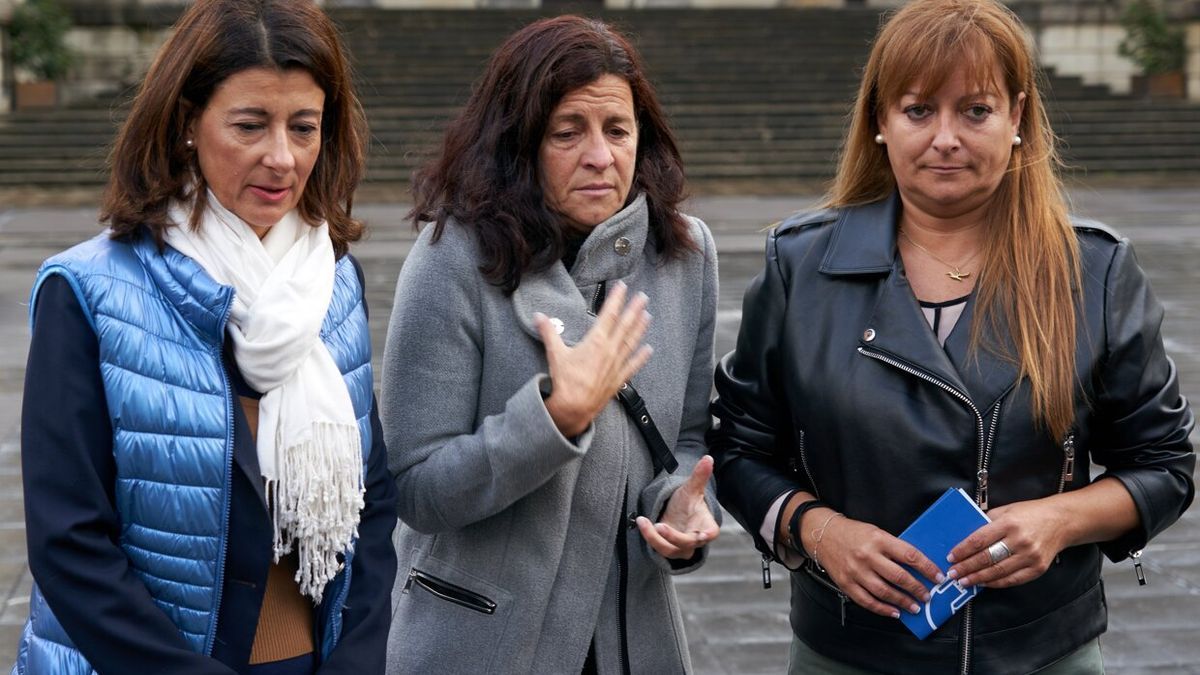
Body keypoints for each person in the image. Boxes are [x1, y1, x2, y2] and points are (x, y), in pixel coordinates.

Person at [708, 0, 1195, 673]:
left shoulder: (1094, 273)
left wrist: (1060, 520)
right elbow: (737, 451)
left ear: (1016, 118)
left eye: (975, 110)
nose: (946, 138)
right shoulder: (799, 268)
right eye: (917, 110)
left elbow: (1165, 465)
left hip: (1040, 652)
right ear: (879, 120)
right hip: (849, 651)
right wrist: (822, 531)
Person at [12, 0, 397, 673]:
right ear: (188, 123)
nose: (282, 157)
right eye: (251, 125)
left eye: (304, 127)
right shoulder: (87, 292)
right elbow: (69, 542)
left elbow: (374, 503)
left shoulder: (333, 282)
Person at [380, 15, 720, 674]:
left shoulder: (684, 253)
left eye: (617, 130)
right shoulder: (452, 257)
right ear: (519, 143)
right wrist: (552, 420)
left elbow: (687, 439)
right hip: (482, 642)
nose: (601, 155)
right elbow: (416, 488)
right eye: (568, 132)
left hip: (632, 642)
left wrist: (680, 507)